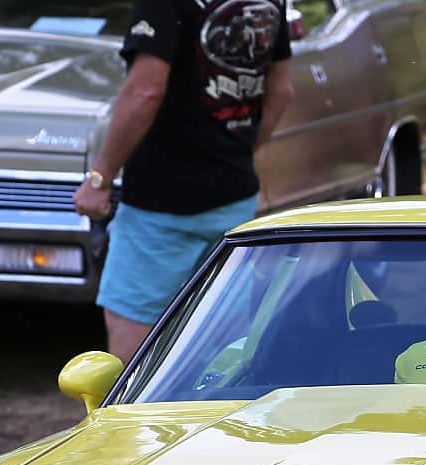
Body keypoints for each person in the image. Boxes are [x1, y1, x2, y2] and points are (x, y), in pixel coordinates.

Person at [74, 0, 294, 361]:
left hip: (160, 204)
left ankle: (133, 420)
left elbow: (146, 90)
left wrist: (100, 178)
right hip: (235, 196)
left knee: (135, 344)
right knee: (220, 342)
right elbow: (282, 90)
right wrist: (239, 151)